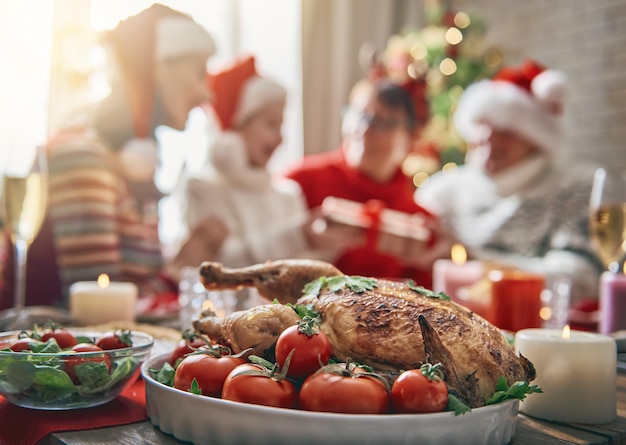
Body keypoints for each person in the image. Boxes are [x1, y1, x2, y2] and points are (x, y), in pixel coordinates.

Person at [0, 4, 217, 310]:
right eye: (200, 73)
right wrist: (178, 268)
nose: (209, 94)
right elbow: (97, 308)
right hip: (38, 351)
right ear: (154, 69)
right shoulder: (81, 155)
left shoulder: (137, 163)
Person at [414, 59, 604, 302]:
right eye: (483, 124)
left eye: (506, 129)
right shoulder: (443, 192)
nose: (488, 137)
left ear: (536, 139)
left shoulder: (573, 189)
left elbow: (579, 280)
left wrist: (474, 261)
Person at [171, 55, 321, 275]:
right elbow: (222, 270)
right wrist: (298, 237)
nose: (280, 138)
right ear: (237, 125)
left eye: (281, 126)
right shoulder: (203, 189)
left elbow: (304, 276)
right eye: (271, 124)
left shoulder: (288, 195)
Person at [282, 80, 437, 287]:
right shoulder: (300, 181)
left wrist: (436, 264)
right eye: (358, 116)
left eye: (382, 122)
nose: (363, 129)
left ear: (411, 137)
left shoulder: (420, 221)